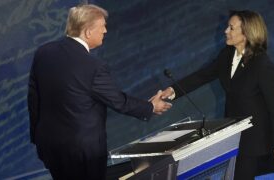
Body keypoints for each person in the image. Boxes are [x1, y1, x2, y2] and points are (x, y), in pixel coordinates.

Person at [27, 4, 172, 180]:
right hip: (83, 154)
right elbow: (118, 101)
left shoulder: (44, 53)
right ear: (88, 32)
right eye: (102, 26)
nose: (105, 30)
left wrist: (39, 138)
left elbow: (34, 100)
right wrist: (150, 107)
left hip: (51, 147)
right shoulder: (92, 66)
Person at [161, 10, 274, 179]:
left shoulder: (262, 64)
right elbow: (202, 76)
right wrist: (173, 90)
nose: (225, 31)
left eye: (231, 27)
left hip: (252, 138)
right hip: (232, 134)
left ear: (246, 32)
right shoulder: (226, 55)